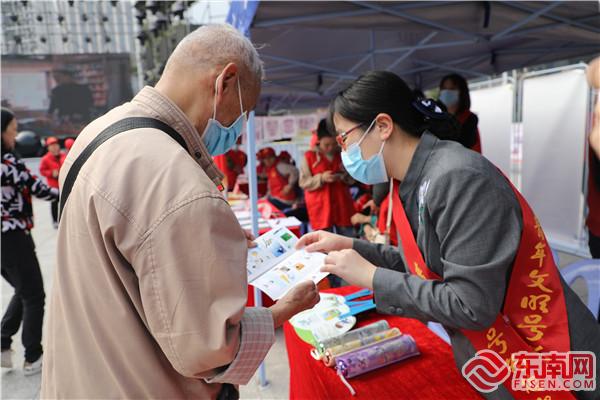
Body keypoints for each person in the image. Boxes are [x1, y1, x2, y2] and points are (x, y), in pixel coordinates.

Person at [41, 24, 319, 399]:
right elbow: (208, 351)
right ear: (225, 82)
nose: (239, 130)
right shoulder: (180, 183)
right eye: (245, 111)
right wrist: (282, 311)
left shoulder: (99, 133)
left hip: (83, 376)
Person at [297, 71, 600, 400]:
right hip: (497, 359)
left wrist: (371, 277)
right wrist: (352, 246)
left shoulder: (457, 177)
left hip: (544, 354)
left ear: (383, 126)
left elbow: (470, 304)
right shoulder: (412, 181)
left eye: (344, 139)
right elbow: (425, 265)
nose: (344, 152)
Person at [1, 108, 58, 376]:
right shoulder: (8, 164)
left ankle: (2, 343)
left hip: (6, 241)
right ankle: (33, 357)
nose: (15, 134)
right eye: (12, 129)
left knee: (23, 290)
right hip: (12, 237)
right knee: (34, 295)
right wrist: (72, 189)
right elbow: (40, 189)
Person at [300, 119, 355, 287]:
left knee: (347, 244)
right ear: (318, 141)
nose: (329, 148)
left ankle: (350, 280)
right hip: (320, 208)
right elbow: (304, 182)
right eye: (325, 145)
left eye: (332, 144)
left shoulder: (343, 153)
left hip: (342, 205)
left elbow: (352, 178)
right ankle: (330, 283)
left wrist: (342, 177)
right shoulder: (309, 157)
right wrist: (321, 178)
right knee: (324, 248)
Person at [438, 73, 482, 153]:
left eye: (452, 88)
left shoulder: (470, 119)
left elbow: (465, 145)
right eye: (444, 88)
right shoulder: (436, 116)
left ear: (462, 92)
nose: (447, 92)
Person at [39, 136, 66, 227]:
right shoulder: (45, 159)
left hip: (63, 185)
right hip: (53, 185)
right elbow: (42, 171)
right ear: (48, 148)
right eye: (52, 145)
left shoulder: (64, 156)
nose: (54, 147)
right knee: (54, 204)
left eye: (56, 144)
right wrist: (51, 173)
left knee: (65, 204)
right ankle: (55, 221)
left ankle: (64, 221)